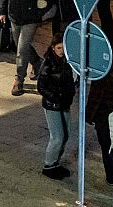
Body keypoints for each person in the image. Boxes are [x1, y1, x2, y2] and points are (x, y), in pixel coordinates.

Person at [38, 38, 76, 180]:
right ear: (53, 48)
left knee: (65, 134)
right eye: (59, 48)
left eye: (63, 48)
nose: (61, 51)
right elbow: (41, 87)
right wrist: (55, 98)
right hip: (53, 104)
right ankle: (49, 164)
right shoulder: (48, 63)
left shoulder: (67, 63)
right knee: (57, 137)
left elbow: (70, 82)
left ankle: (55, 162)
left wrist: (69, 95)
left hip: (64, 103)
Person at [7, 0, 54, 97]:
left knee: (22, 49)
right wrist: (2, 11)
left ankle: (19, 80)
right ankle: (37, 62)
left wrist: (39, 14)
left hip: (30, 18)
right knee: (21, 46)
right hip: (14, 16)